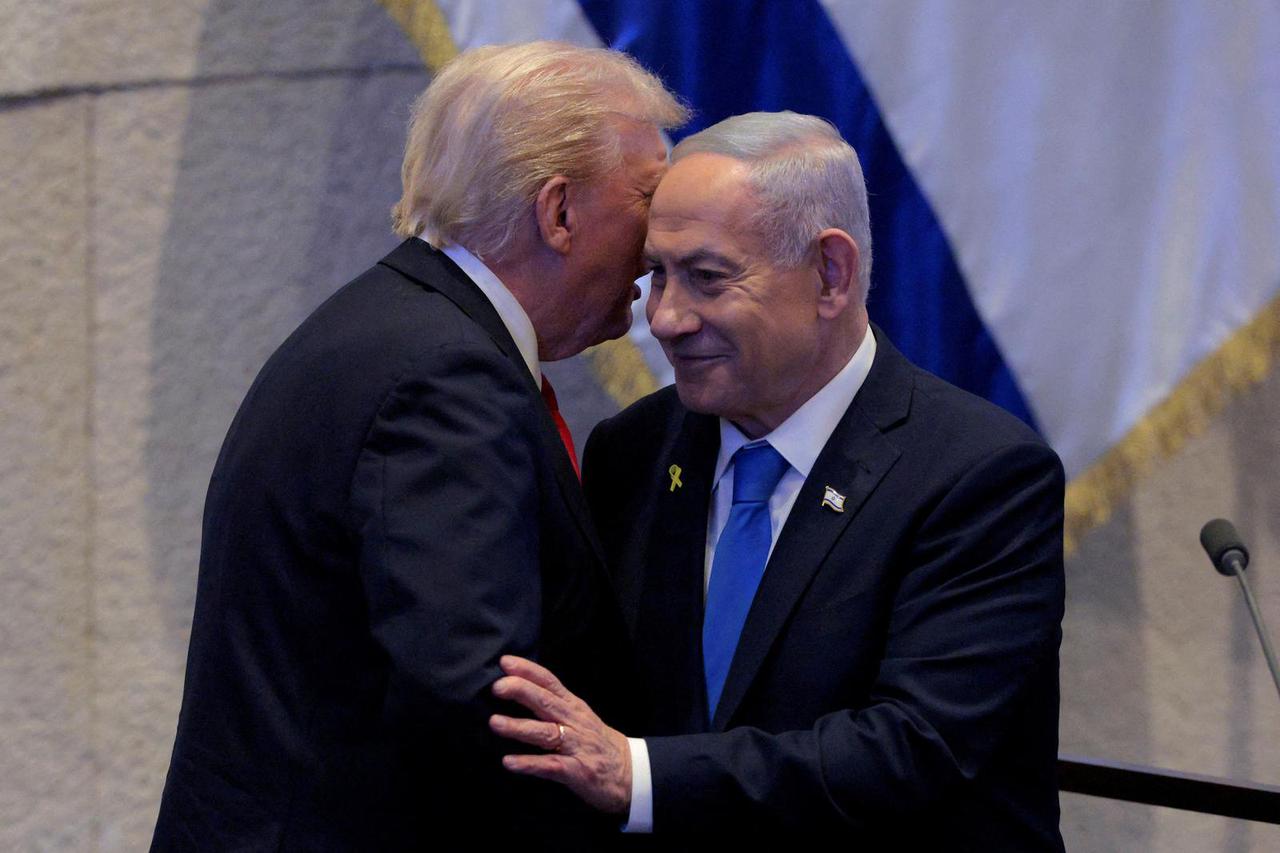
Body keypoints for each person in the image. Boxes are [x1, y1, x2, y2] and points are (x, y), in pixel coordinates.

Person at [151, 42, 687, 851]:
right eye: (649, 199)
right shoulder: (444, 377)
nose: (660, 247)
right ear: (560, 212)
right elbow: (483, 702)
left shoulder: (394, 327)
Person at [489, 111, 1066, 850]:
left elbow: (913, 746)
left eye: (706, 276)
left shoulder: (978, 475)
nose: (664, 318)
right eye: (657, 273)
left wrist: (638, 774)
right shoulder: (632, 452)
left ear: (831, 273)